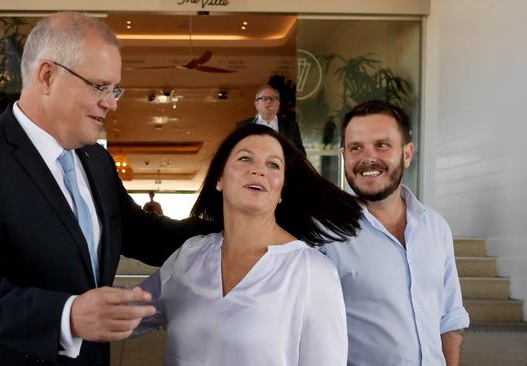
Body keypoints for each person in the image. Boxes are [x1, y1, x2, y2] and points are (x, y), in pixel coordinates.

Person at [0, 12, 214, 366]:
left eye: (115, 89)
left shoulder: (96, 161)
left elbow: (144, 234)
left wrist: (239, 227)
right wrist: (69, 316)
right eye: (100, 86)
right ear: (47, 76)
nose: (111, 102)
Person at [134, 124, 362, 365]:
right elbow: (119, 316)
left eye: (273, 164)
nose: (258, 170)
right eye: (245, 158)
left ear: (281, 190)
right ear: (220, 178)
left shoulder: (313, 271)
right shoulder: (190, 255)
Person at [322, 100, 470, 365]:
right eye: (356, 148)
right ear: (345, 156)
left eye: (382, 145)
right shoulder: (324, 235)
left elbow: (450, 315)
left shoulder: (436, 227)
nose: (368, 158)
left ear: (407, 153)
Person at [236, 84, 306, 156]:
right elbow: (237, 153)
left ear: (278, 104)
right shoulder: (243, 126)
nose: (269, 101)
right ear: (256, 104)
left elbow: (301, 154)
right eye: (264, 98)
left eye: (272, 98)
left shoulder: (291, 126)